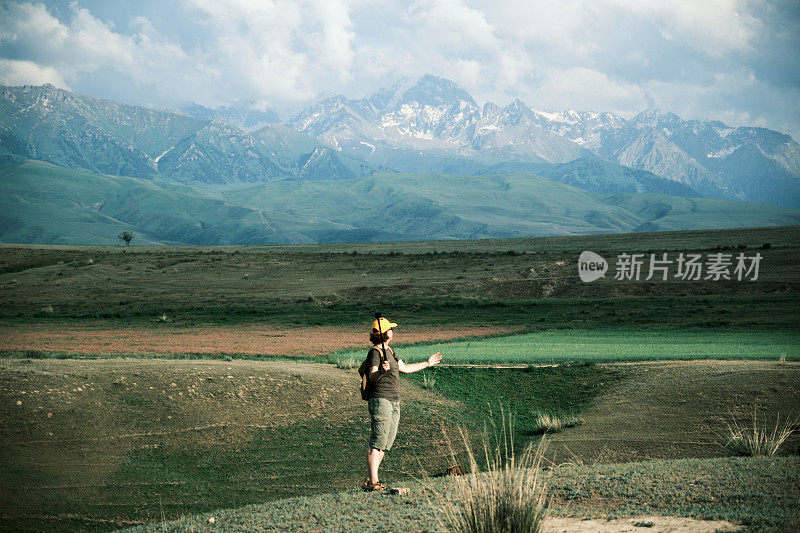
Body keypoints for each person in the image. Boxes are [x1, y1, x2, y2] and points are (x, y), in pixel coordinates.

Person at [363, 316, 442, 491]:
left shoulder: (390, 351)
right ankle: (373, 482)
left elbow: (404, 368)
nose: (393, 330)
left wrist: (427, 364)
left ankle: (370, 480)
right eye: (391, 328)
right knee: (377, 441)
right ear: (386, 333)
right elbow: (372, 375)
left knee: (385, 442)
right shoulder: (375, 352)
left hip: (393, 400)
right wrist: (382, 371)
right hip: (381, 399)